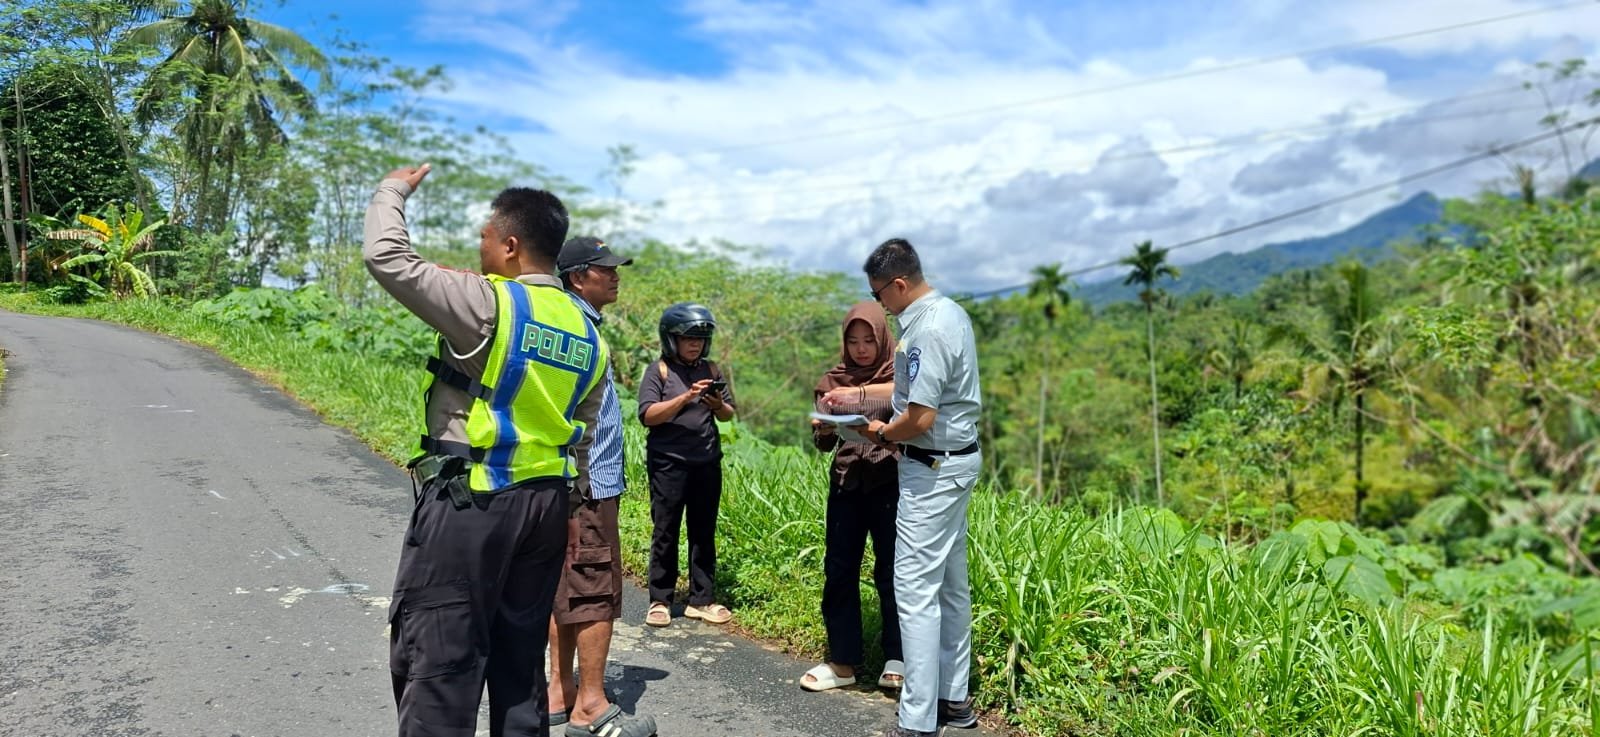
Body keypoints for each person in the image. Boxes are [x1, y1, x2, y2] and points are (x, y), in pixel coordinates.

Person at [364, 163, 609, 737]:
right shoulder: (587, 331)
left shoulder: (489, 306)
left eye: (484, 236)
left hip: (473, 503)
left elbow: (388, 259)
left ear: (511, 244)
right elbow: (585, 430)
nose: (480, 247)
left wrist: (391, 190)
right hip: (545, 511)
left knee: (443, 657)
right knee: (520, 659)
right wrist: (573, 506)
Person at [852, 238, 982, 737]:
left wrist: (880, 432)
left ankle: (918, 718)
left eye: (880, 294)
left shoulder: (926, 330)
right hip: (957, 461)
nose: (880, 305)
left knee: (915, 590)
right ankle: (954, 700)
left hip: (931, 469)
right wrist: (865, 395)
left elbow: (920, 416)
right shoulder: (951, 313)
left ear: (899, 284)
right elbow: (918, 390)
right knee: (950, 585)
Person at [545, 236, 656, 737]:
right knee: (594, 586)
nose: (615, 276)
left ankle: (559, 691)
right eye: (603, 269)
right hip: (586, 481)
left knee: (565, 584)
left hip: (575, 478)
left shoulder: (573, 320)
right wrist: (579, 482)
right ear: (576, 276)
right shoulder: (578, 327)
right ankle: (589, 704)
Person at [801, 302, 905, 694]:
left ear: (882, 338)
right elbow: (823, 444)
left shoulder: (899, 377)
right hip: (847, 482)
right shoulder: (832, 381)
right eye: (853, 341)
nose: (861, 348)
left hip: (890, 480)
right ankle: (842, 660)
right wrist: (823, 428)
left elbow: (912, 419)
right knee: (840, 570)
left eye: (868, 340)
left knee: (892, 571)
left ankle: (897, 657)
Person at [636, 302, 737, 628]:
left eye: (700, 338)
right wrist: (683, 398)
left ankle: (701, 599)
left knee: (703, 530)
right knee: (666, 530)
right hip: (669, 463)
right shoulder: (659, 371)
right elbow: (647, 415)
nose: (695, 344)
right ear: (671, 339)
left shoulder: (712, 370)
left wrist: (717, 403)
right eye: (688, 338)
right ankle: (660, 599)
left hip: (706, 461)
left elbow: (728, 414)